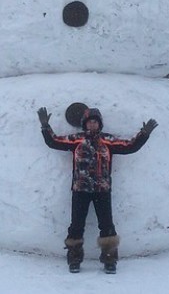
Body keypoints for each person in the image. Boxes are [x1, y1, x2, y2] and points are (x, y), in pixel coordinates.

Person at [37, 106, 158, 274]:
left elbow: (130, 146)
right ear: (84, 124)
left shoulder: (108, 141)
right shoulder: (77, 140)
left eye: (95, 121)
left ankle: (109, 259)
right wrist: (45, 126)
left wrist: (143, 134)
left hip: (102, 190)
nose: (92, 124)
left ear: (99, 124)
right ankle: (74, 259)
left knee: (107, 225)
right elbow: (54, 141)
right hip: (80, 189)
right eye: (89, 122)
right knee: (76, 225)